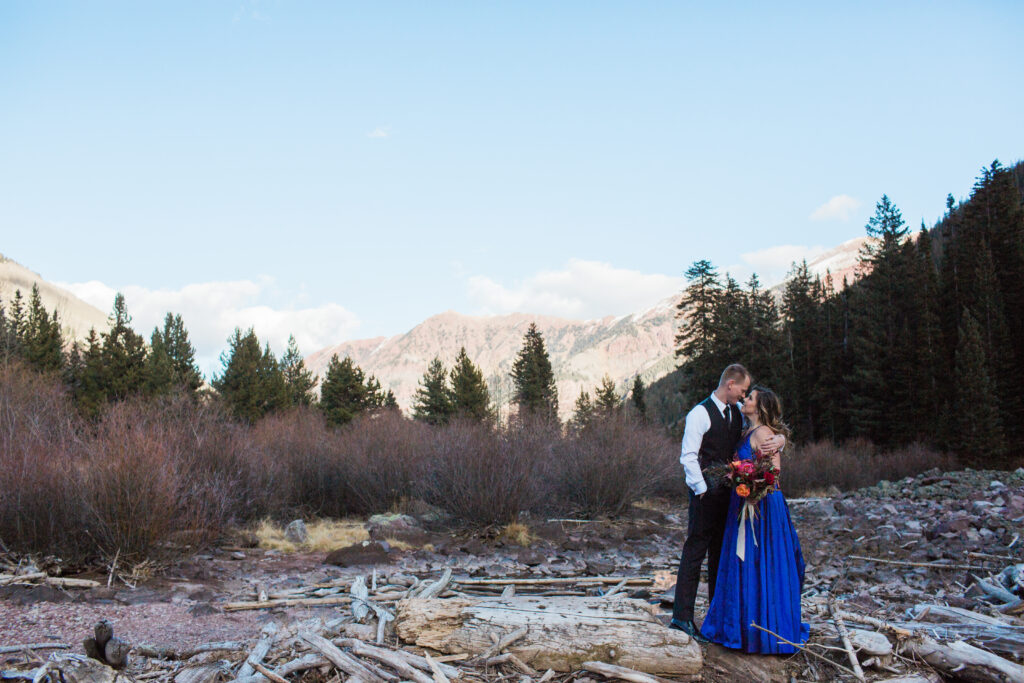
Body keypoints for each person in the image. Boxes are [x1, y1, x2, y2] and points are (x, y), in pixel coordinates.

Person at [669, 364, 785, 640]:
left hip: (732, 498)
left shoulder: (735, 414)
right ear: (730, 384)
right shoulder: (699, 413)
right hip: (704, 495)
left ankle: (715, 616)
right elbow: (688, 456)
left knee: (720, 556)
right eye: (742, 390)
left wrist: (780, 439)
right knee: (695, 552)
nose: (744, 396)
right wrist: (701, 490)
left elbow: (761, 432)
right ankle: (681, 617)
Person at [700, 386, 809, 653]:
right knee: (744, 563)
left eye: (750, 398)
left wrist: (754, 489)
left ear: (759, 407)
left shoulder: (763, 433)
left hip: (761, 508)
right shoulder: (746, 430)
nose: (745, 399)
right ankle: (744, 627)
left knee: (761, 562)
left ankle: (763, 631)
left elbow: (774, 473)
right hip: (744, 502)